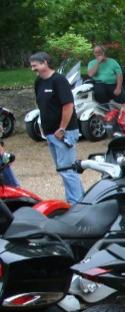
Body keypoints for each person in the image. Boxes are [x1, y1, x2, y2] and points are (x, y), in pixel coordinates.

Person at [30, 51, 84, 204]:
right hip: (50, 133)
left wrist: (62, 128)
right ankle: (81, 200)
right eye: (32, 66)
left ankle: (75, 205)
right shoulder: (38, 82)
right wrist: (43, 127)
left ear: (45, 63)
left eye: (35, 65)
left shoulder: (59, 80)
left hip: (64, 132)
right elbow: (41, 105)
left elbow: (68, 106)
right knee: (64, 170)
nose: (33, 69)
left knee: (67, 170)